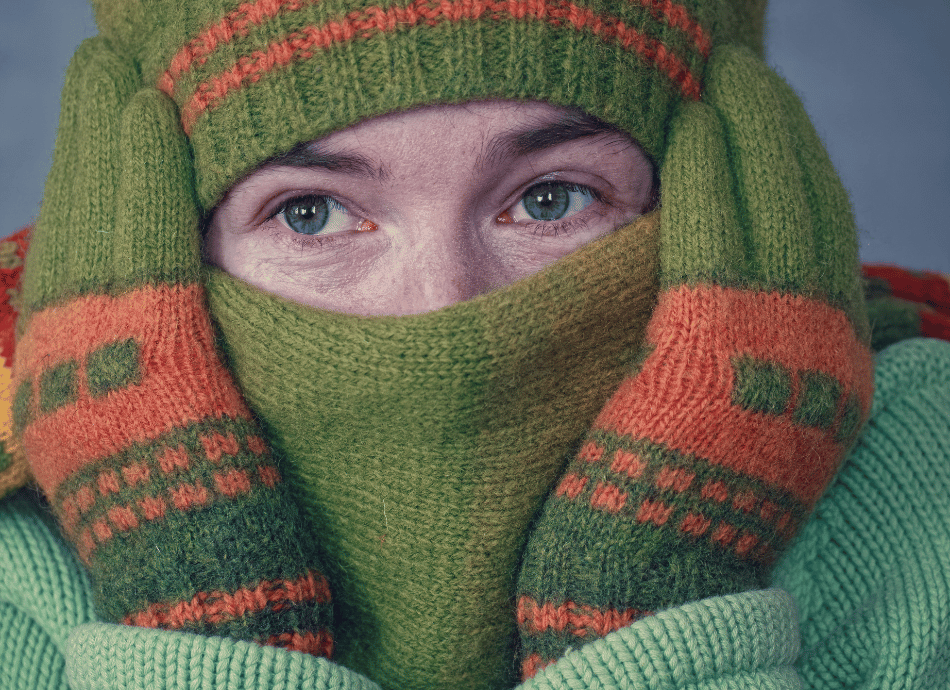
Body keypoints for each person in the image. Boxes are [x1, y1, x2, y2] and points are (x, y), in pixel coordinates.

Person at [1, 0, 949, 688]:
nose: (444, 307)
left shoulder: (926, 476)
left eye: (550, 199)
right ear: (158, 242)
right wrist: (199, 607)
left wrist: (652, 594)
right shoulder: (20, 559)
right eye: (311, 211)